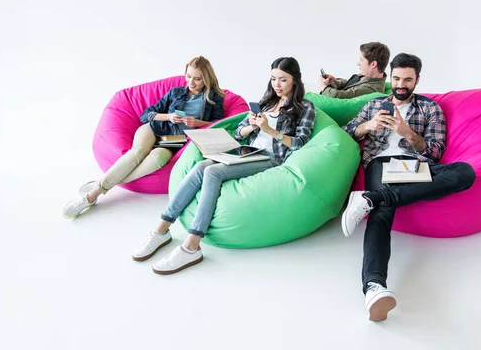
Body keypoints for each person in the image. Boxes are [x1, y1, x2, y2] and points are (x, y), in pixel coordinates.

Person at [131, 57, 316, 274]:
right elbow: (239, 132)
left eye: (283, 80)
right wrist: (253, 125)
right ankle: (161, 229)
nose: (277, 85)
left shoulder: (305, 107)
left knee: (212, 172)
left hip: (271, 158)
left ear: (295, 80)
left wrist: (270, 131)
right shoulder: (265, 103)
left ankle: (191, 246)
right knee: (199, 167)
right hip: (249, 151)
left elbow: (299, 142)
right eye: (274, 79)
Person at [341, 53, 476, 322]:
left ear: (417, 80)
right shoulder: (374, 104)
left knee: (465, 172)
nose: (401, 84)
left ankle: (371, 198)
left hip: (414, 165)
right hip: (380, 163)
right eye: (397, 78)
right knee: (382, 214)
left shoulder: (430, 108)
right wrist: (368, 125)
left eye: (407, 80)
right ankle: (374, 287)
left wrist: (406, 132)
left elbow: (435, 152)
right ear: (390, 77)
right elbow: (345, 133)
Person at [62, 56, 225, 218]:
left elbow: (218, 123)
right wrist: (168, 117)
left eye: (197, 79)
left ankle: (109, 183)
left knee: (156, 159)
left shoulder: (214, 98)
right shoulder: (176, 92)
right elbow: (146, 115)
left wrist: (196, 122)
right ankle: (91, 195)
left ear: (207, 78)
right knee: (137, 153)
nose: (191, 83)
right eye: (188, 76)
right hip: (154, 128)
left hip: (175, 140)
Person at [316, 42, 390, 98]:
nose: (358, 63)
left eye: (361, 60)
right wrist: (336, 82)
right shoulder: (367, 76)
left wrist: (322, 86)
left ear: (373, 64)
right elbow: (352, 85)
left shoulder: (371, 89)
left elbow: (341, 96)